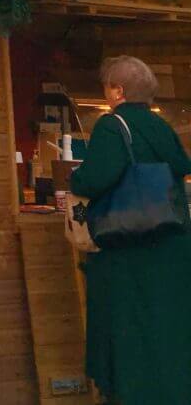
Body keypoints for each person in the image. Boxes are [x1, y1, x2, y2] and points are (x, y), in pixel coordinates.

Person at [69, 55, 191, 405]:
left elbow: (95, 178)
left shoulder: (112, 125)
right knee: (168, 330)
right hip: (172, 246)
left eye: (108, 87)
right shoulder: (161, 125)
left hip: (130, 248)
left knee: (129, 332)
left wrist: (73, 177)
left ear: (118, 90)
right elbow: (182, 164)